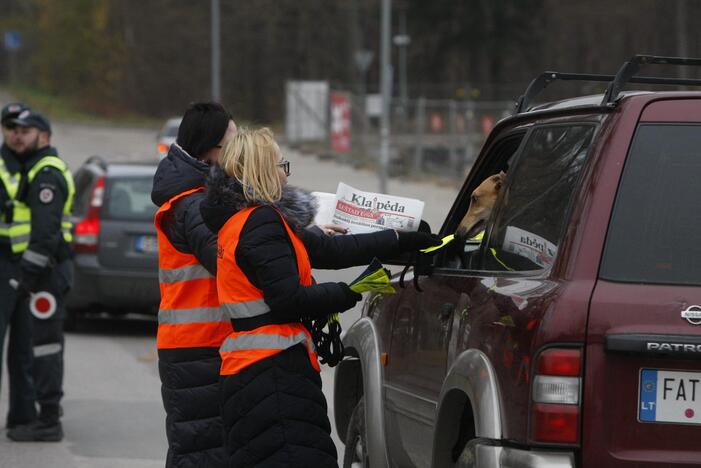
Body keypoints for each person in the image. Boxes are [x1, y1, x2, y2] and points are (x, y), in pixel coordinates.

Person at [200, 127, 441, 467]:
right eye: (281, 165)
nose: (285, 173)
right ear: (262, 170)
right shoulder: (261, 223)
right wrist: (349, 291)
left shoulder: (252, 222)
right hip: (272, 375)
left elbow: (331, 250)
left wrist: (401, 241)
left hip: (259, 372)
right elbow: (288, 299)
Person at [151, 102, 237, 467]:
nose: (239, 153)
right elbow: (226, 260)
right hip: (198, 346)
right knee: (202, 454)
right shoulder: (193, 204)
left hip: (201, 343)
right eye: (231, 144)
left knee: (203, 450)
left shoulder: (200, 196)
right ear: (208, 149)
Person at [1, 109, 75, 442]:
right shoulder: (32, 167)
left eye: (25, 129)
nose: (17, 134)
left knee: (42, 347)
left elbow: (46, 235)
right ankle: (32, 416)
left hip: (41, 273)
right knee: (30, 348)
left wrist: (26, 277)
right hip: (31, 272)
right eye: (11, 128)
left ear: (43, 135)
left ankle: (46, 419)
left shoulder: (45, 172)